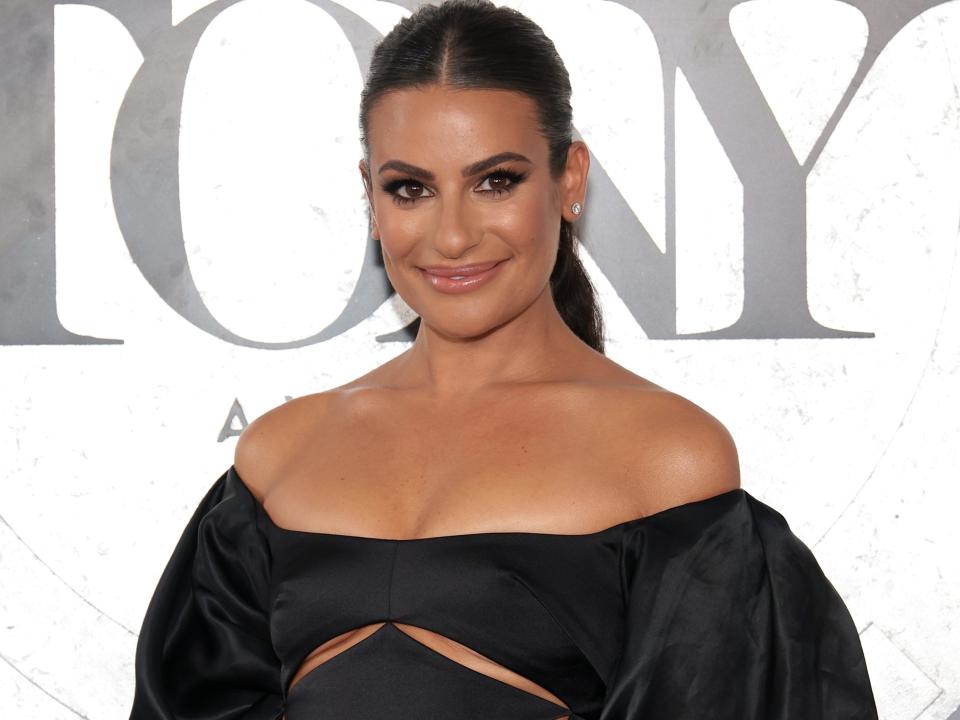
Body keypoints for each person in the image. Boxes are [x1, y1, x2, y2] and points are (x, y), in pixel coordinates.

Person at [128, 1, 879, 718]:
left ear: (570, 179)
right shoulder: (275, 459)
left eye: (496, 181)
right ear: (370, 194)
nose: (452, 237)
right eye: (411, 188)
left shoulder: (669, 461)